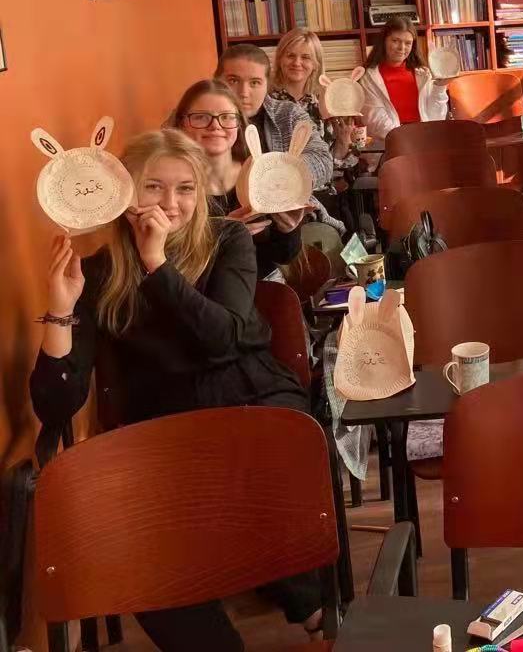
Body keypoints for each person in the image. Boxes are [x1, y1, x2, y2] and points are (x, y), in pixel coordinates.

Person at [29, 130, 322, 649]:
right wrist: (59, 308)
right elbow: (56, 404)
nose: (171, 203)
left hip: (248, 398)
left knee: (258, 474)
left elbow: (223, 338)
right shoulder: (98, 273)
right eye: (153, 187)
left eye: (185, 189)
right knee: (133, 534)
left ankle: (315, 607)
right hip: (164, 427)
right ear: (124, 192)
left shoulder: (227, 241)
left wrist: (157, 265)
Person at [170, 79, 307, 276]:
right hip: (200, 288)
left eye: (226, 117)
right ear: (182, 123)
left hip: (264, 284)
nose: (215, 126)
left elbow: (284, 256)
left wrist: (289, 230)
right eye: (201, 117)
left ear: (239, 124)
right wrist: (222, 234)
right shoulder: (170, 186)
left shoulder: (262, 175)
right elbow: (169, 260)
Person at [270, 26, 363, 229]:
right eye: (290, 55)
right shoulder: (268, 104)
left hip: (322, 196)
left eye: (305, 57)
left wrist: (343, 144)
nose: (297, 63)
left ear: (315, 65)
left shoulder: (325, 105)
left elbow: (332, 167)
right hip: (280, 198)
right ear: (280, 59)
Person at [216, 43, 335, 194]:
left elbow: (322, 159)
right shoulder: (199, 118)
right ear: (216, 81)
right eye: (233, 81)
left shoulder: (288, 113)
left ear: (267, 85)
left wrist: (284, 174)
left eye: (254, 83)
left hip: (283, 203)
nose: (244, 93)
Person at [358, 17, 450, 141]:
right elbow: (375, 121)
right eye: (395, 41)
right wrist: (407, 140)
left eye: (408, 43)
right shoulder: (369, 78)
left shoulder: (424, 74)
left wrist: (440, 87)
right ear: (384, 41)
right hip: (391, 143)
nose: (402, 48)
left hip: (425, 141)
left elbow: (436, 117)